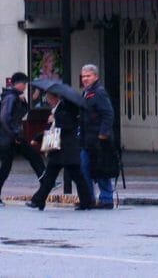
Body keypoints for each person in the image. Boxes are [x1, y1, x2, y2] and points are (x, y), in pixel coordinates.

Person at [25, 91, 94, 211]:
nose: (48, 101)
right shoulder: (57, 109)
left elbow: (64, 126)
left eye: (49, 98)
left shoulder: (65, 108)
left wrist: (54, 119)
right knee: (50, 177)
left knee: (77, 177)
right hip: (59, 150)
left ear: (56, 97)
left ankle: (86, 201)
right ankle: (38, 200)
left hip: (67, 149)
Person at [0, 72, 44, 203]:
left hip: (12, 136)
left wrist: (23, 102)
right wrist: (15, 134)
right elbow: (5, 117)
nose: (25, 87)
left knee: (8, 165)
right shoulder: (10, 97)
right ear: (18, 84)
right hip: (12, 137)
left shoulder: (15, 96)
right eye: (24, 84)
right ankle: (46, 181)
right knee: (31, 156)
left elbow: (19, 113)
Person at [78, 64, 117, 209]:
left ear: (96, 76)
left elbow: (108, 114)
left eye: (88, 76)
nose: (85, 79)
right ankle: (88, 199)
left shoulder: (99, 92)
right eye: (83, 76)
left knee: (101, 169)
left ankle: (106, 199)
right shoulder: (85, 93)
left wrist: (103, 135)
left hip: (98, 140)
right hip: (86, 139)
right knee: (84, 169)